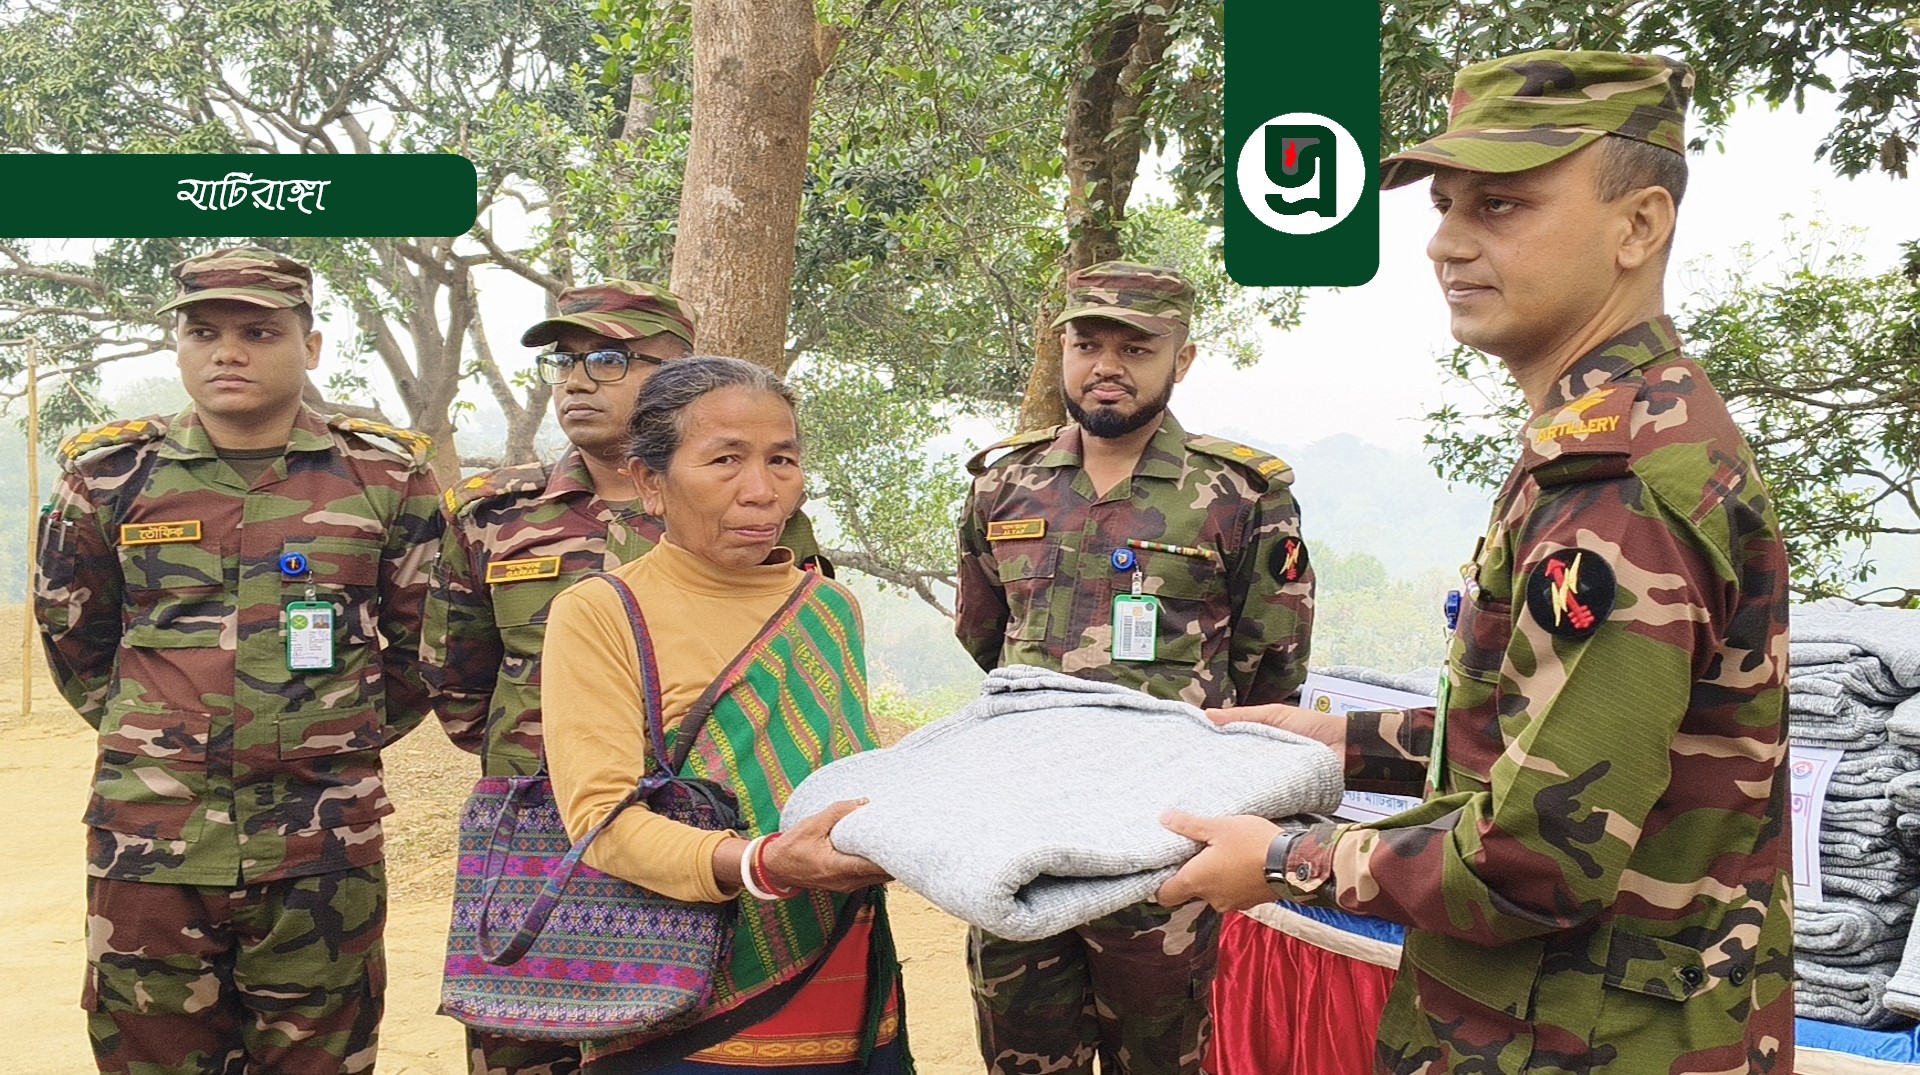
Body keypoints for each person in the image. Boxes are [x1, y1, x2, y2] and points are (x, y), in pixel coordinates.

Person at [1157, 50, 1794, 1074]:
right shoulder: (1614, 434)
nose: (1447, 243)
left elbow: (1538, 856)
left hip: (1585, 1042)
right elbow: (1537, 730)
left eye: (1502, 207)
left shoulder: (1619, 485)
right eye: (1446, 205)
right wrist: (1335, 738)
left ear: (1639, 225)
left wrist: (1282, 860)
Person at [34, 246, 442, 1074]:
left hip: (322, 845)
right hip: (149, 846)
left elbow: (427, 648)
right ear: (178, 344)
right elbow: (76, 639)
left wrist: (324, 735)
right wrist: (165, 735)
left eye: (260, 331)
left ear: (313, 346)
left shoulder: (387, 476)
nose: (229, 351)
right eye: (203, 331)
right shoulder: (111, 476)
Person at [422, 281, 830, 1075]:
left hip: (709, 845)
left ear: (681, 370)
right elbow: (454, 680)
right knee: (526, 1049)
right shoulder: (495, 513)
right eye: (565, 360)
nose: (578, 378)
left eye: (609, 358)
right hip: (541, 848)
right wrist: (560, 766)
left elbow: (785, 684)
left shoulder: (754, 513)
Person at [953, 261, 1316, 1075]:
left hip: (1162, 843)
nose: (1106, 364)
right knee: (1021, 1052)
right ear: (1063, 352)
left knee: (1156, 1057)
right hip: (1020, 827)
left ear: (1180, 359)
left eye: (1136, 345)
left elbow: (1271, 669)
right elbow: (985, 635)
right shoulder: (1005, 484)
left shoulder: (1240, 494)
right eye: (1087, 342)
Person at [540, 357, 909, 1075]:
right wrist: (762, 862)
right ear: (651, 481)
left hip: (846, 972)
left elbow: (852, 775)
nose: (762, 490)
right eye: (725, 460)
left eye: (782, 459)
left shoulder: (829, 608)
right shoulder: (601, 613)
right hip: (683, 1002)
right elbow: (603, 825)